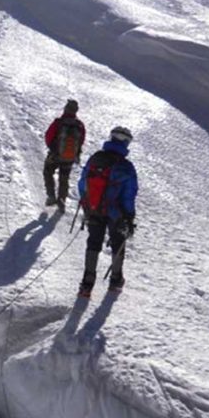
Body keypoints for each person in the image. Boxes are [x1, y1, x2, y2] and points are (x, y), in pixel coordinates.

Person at [76, 126, 137, 297]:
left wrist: (87, 204)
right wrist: (129, 216)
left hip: (94, 208)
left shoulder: (96, 158)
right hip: (116, 213)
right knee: (118, 243)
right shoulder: (126, 166)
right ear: (126, 143)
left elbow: (83, 183)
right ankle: (116, 280)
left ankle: (87, 284)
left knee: (93, 242)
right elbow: (129, 195)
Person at [43, 99, 86, 210]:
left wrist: (53, 148)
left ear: (65, 109)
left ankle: (51, 196)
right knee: (64, 177)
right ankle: (62, 199)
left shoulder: (58, 122)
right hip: (69, 156)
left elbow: (48, 136)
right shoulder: (80, 125)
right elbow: (81, 141)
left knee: (48, 171)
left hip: (55, 155)